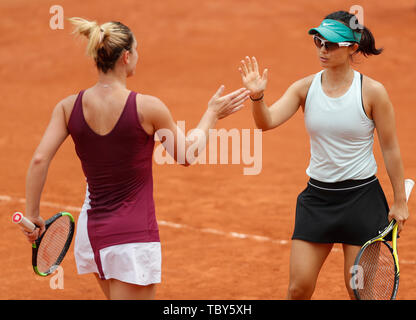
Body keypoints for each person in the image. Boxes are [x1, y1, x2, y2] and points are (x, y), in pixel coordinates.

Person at [22, 17, 250, 300]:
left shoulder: (68, 108)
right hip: (133, 239)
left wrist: (32, 216)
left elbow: (39, 160)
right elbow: (187, 154)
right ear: (126, 56)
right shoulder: (148, 108)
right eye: (137, 50)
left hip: (91, 236)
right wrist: (212, 115)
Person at [238, 10, 409, 299]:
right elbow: (266, 122)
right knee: (298, 288)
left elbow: (390, 148)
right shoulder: (305, 88)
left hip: (362, 201)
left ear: (352, 48)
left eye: (330, 44)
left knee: (359, 292)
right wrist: (257, 97)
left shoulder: (373, 93)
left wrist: (399, 202)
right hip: (318, 200)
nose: (322, 49)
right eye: (318, 42)